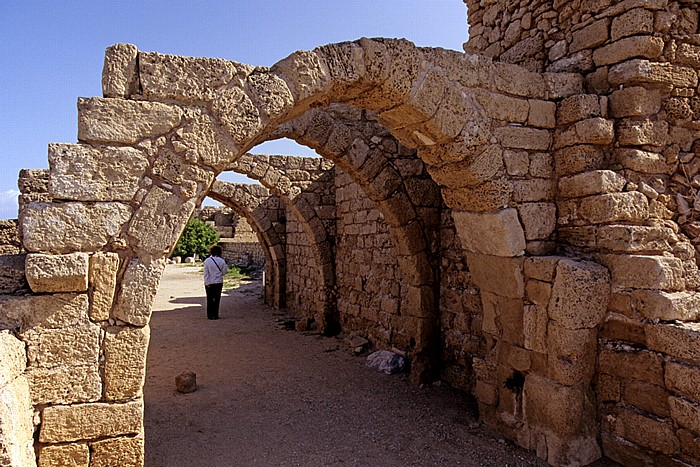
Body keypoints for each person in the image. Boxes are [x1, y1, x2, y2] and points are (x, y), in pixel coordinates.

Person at [203, 244, 228, 320]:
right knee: (217, 299)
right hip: (218, 282)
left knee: (209, 299)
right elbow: (224, 272)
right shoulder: (222, 261)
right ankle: (216, 315)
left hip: (209, 282)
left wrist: (206, 283)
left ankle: (210, 315)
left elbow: (206, 273)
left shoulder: (207, 261)